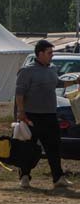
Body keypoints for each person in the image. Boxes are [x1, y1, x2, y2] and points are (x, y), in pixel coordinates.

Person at [15, 39, 79, 189]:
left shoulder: (51, 69)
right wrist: (21, 112)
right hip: (32, 115)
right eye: (49, 53)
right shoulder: (27, 71)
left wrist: (76, 81)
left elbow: (58, 83)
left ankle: (58, 178)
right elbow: (19, 93)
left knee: (54, 147)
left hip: (50, 114)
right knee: (29, 148)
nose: (52, 55)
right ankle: (24, 177)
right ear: (40, 53)